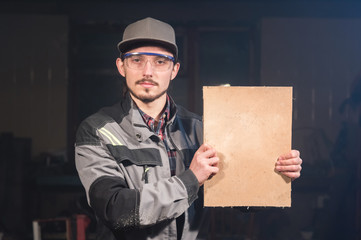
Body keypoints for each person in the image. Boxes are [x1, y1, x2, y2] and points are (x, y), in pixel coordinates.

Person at [75, 17, 302, 240]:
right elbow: (116, 211)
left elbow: (242, 195)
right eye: (136, 60)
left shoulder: (199, 128)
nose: (148, 71)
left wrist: (274, 172)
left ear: (174, 70)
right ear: (121, 66)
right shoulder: (97, 131)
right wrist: (192, 179)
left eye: (160, 62)